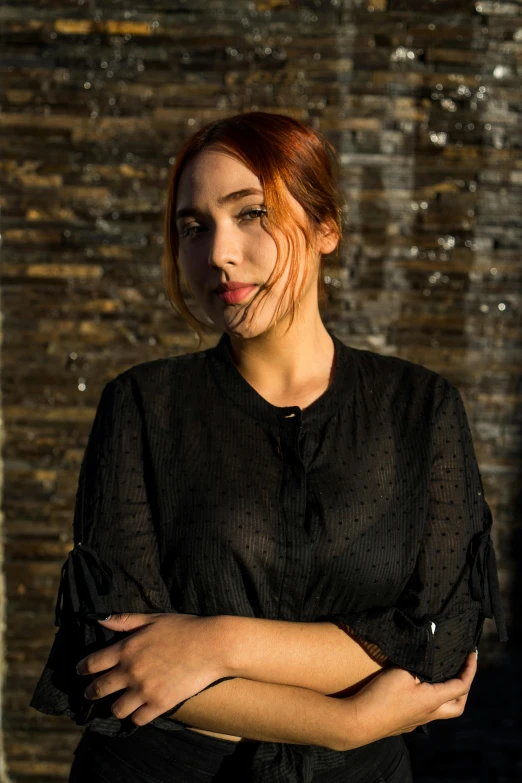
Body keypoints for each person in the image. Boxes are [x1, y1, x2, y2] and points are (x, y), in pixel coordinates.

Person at [30, 111, 508, 783]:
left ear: (325, 227)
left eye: (250, 214)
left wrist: (213, 642)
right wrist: (351, 719)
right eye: (194, 227)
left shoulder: (421, 407)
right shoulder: (142, 404)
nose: (218, 252)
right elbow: (120, 660)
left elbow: (440, 634)